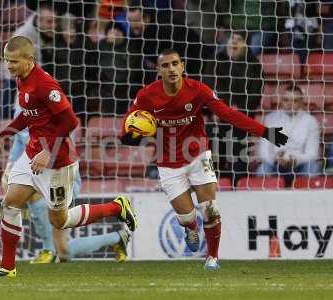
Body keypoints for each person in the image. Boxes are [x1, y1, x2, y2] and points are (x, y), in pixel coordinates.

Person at [0, 36, 137, 278]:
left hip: (58, 162)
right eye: (6, 61)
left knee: (60, 221)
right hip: (32, 155)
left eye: (13, 61)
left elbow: (70, 121)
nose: (8, 66)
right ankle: (7, 267)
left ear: (30, 60)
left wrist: (48, 152)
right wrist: (3, 134)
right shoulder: (21, 80)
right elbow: (28, 116)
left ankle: (116, 207)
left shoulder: (45, 85)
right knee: (9, 203)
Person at [121, 49, 288, 270]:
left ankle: (213, 257)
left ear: (182, 66)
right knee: (187, 216)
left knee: (210, 208)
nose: (171, 69)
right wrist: (128, 137)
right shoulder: (146, 95)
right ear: (158, 70)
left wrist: (265, 131)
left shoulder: (198, 90)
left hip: (198, 155)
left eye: (175, 63)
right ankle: (190, 228)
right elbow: (128, 125)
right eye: (165, 65)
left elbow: (228, 114)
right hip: (168, 163)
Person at [1, 109, 131, 263]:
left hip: (63, 175)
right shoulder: (21, 114)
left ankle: (48, 250)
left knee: (31, 187)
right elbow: (17, 148)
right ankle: (117, 238)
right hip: (41, 176)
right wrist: (8, 170)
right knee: (64, 251)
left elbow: (64, 139)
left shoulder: (49, 109)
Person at [204, 31, 263, 185]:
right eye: (232, 39)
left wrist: (239, 110)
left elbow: (255, 96)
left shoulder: (254, 65)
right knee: (212, 143)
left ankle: (239, 184)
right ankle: (211, 184)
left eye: (239, 40)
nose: (234, 43)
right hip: (218, 116)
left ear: (245, 44)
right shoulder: (215, 61)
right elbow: (208, 88)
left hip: (241, 119)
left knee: (239, 145)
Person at [257, 84, 320, 186]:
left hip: (300, 165)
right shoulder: (271, 119)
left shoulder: (310, 121)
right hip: (275, 164)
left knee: (313, 167)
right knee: (263, 169)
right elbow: (264, 150)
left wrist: (294, 159)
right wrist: (275, 159)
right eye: (286, 100)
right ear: (281, 101)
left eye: (295, 100)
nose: (290, 104)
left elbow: (313, 154)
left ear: (301, 102)